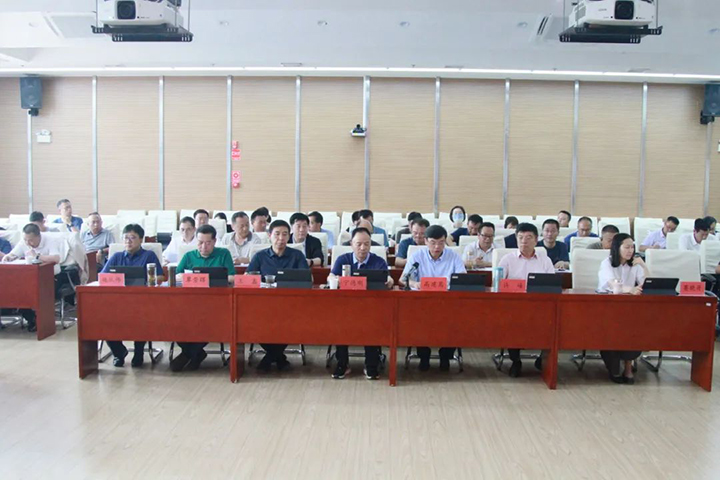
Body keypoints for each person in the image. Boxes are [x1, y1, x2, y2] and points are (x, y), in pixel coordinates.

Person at [328, 227, 393, 380]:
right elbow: (331, 276)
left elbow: (388, 279)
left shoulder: (379, 261)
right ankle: (342, 364)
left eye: (367, 244)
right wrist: (333, 279)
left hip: (372, 307)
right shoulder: (343, 259)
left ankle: (371, 365)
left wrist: (389, 281)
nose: (363, 248)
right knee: (340, 323)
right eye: (359, 244)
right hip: (346, 307)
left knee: (372, 323)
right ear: (351, 244)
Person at [246, 220, 309, 372]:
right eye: (277, 234)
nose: (281, 238)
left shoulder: (297, 255)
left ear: (289, 236)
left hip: (290, 305)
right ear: (269, 235)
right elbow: (248, 278)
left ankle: (269, 358)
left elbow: (307, 279)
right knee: (254, 321)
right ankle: (279, 358)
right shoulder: (260, 256)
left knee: (290, 322)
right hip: (263, 305)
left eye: (285, 234)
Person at [401, 225, 466, 371]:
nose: (437, 247)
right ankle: (424, 356)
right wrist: (415, 284)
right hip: (422, 303)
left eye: (441, 242)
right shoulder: (417, 256)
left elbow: (462, 279)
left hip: (448, 303)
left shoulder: (454, 256)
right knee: (417, 321)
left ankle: (446, 356)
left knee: (455, 320)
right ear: (425, 241)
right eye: (433, 242)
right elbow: (404, 279)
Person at [173, 224, 235, 372]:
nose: (203, 247)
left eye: (208, 243)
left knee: (208, 321)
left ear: (214, 241)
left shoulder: (223, 254)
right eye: (200, 242)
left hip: (217, 303)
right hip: (191, 302)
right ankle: (196, 353)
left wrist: (210, 278)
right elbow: (176, 276)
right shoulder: (189, 256)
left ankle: (190, 354)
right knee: (176, 320)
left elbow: (232, 277)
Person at [101, 224, 165, 367]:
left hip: (142, 301)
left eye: (132, 238)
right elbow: (103, 277)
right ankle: (119, 352)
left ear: (141, 239)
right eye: (126, 238)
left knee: (141, 316)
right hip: (117, 301)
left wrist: (149, 279)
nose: (128, 241)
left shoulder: (149, 255)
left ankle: (139, 352)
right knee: (103, 317)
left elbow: (161, 277)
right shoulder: (116, 257)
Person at [498, 223, 554, 378]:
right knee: (511, 322)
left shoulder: (545, 261)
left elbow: (552, 285)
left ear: (536, 240)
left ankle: (543, 358)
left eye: (528, 238)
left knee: (552, 321)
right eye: (520, 237)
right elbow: (499, 284)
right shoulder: (507, 259)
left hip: (540, 306)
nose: (524, 241)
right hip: (513, 306)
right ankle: (516, 361)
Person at [597, 233, 649, 384]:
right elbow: (613, 285)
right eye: (626, 247)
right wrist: (631, 289)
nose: (630, 250)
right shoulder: (606, 263)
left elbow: (648, 284)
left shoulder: (634, 264)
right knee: (615, 329)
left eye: (632, 247)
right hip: (607, 308)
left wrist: (643, 265)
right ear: (617, 248)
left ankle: (628, 366)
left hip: (629, 308)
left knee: (635, 328)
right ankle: (615, 367)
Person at [2, 223, 73, 332]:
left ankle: (42, 322)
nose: (28, 243)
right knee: (17, 292)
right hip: (28, 279)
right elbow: (13, 254)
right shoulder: (25, 242)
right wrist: (8, 257)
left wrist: (38, 256)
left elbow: (56, 258)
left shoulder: (50, 240)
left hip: (50, 278)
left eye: (30, 240)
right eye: (25, 240)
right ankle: (32, 319)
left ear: (38, 236)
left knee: (36, 293)